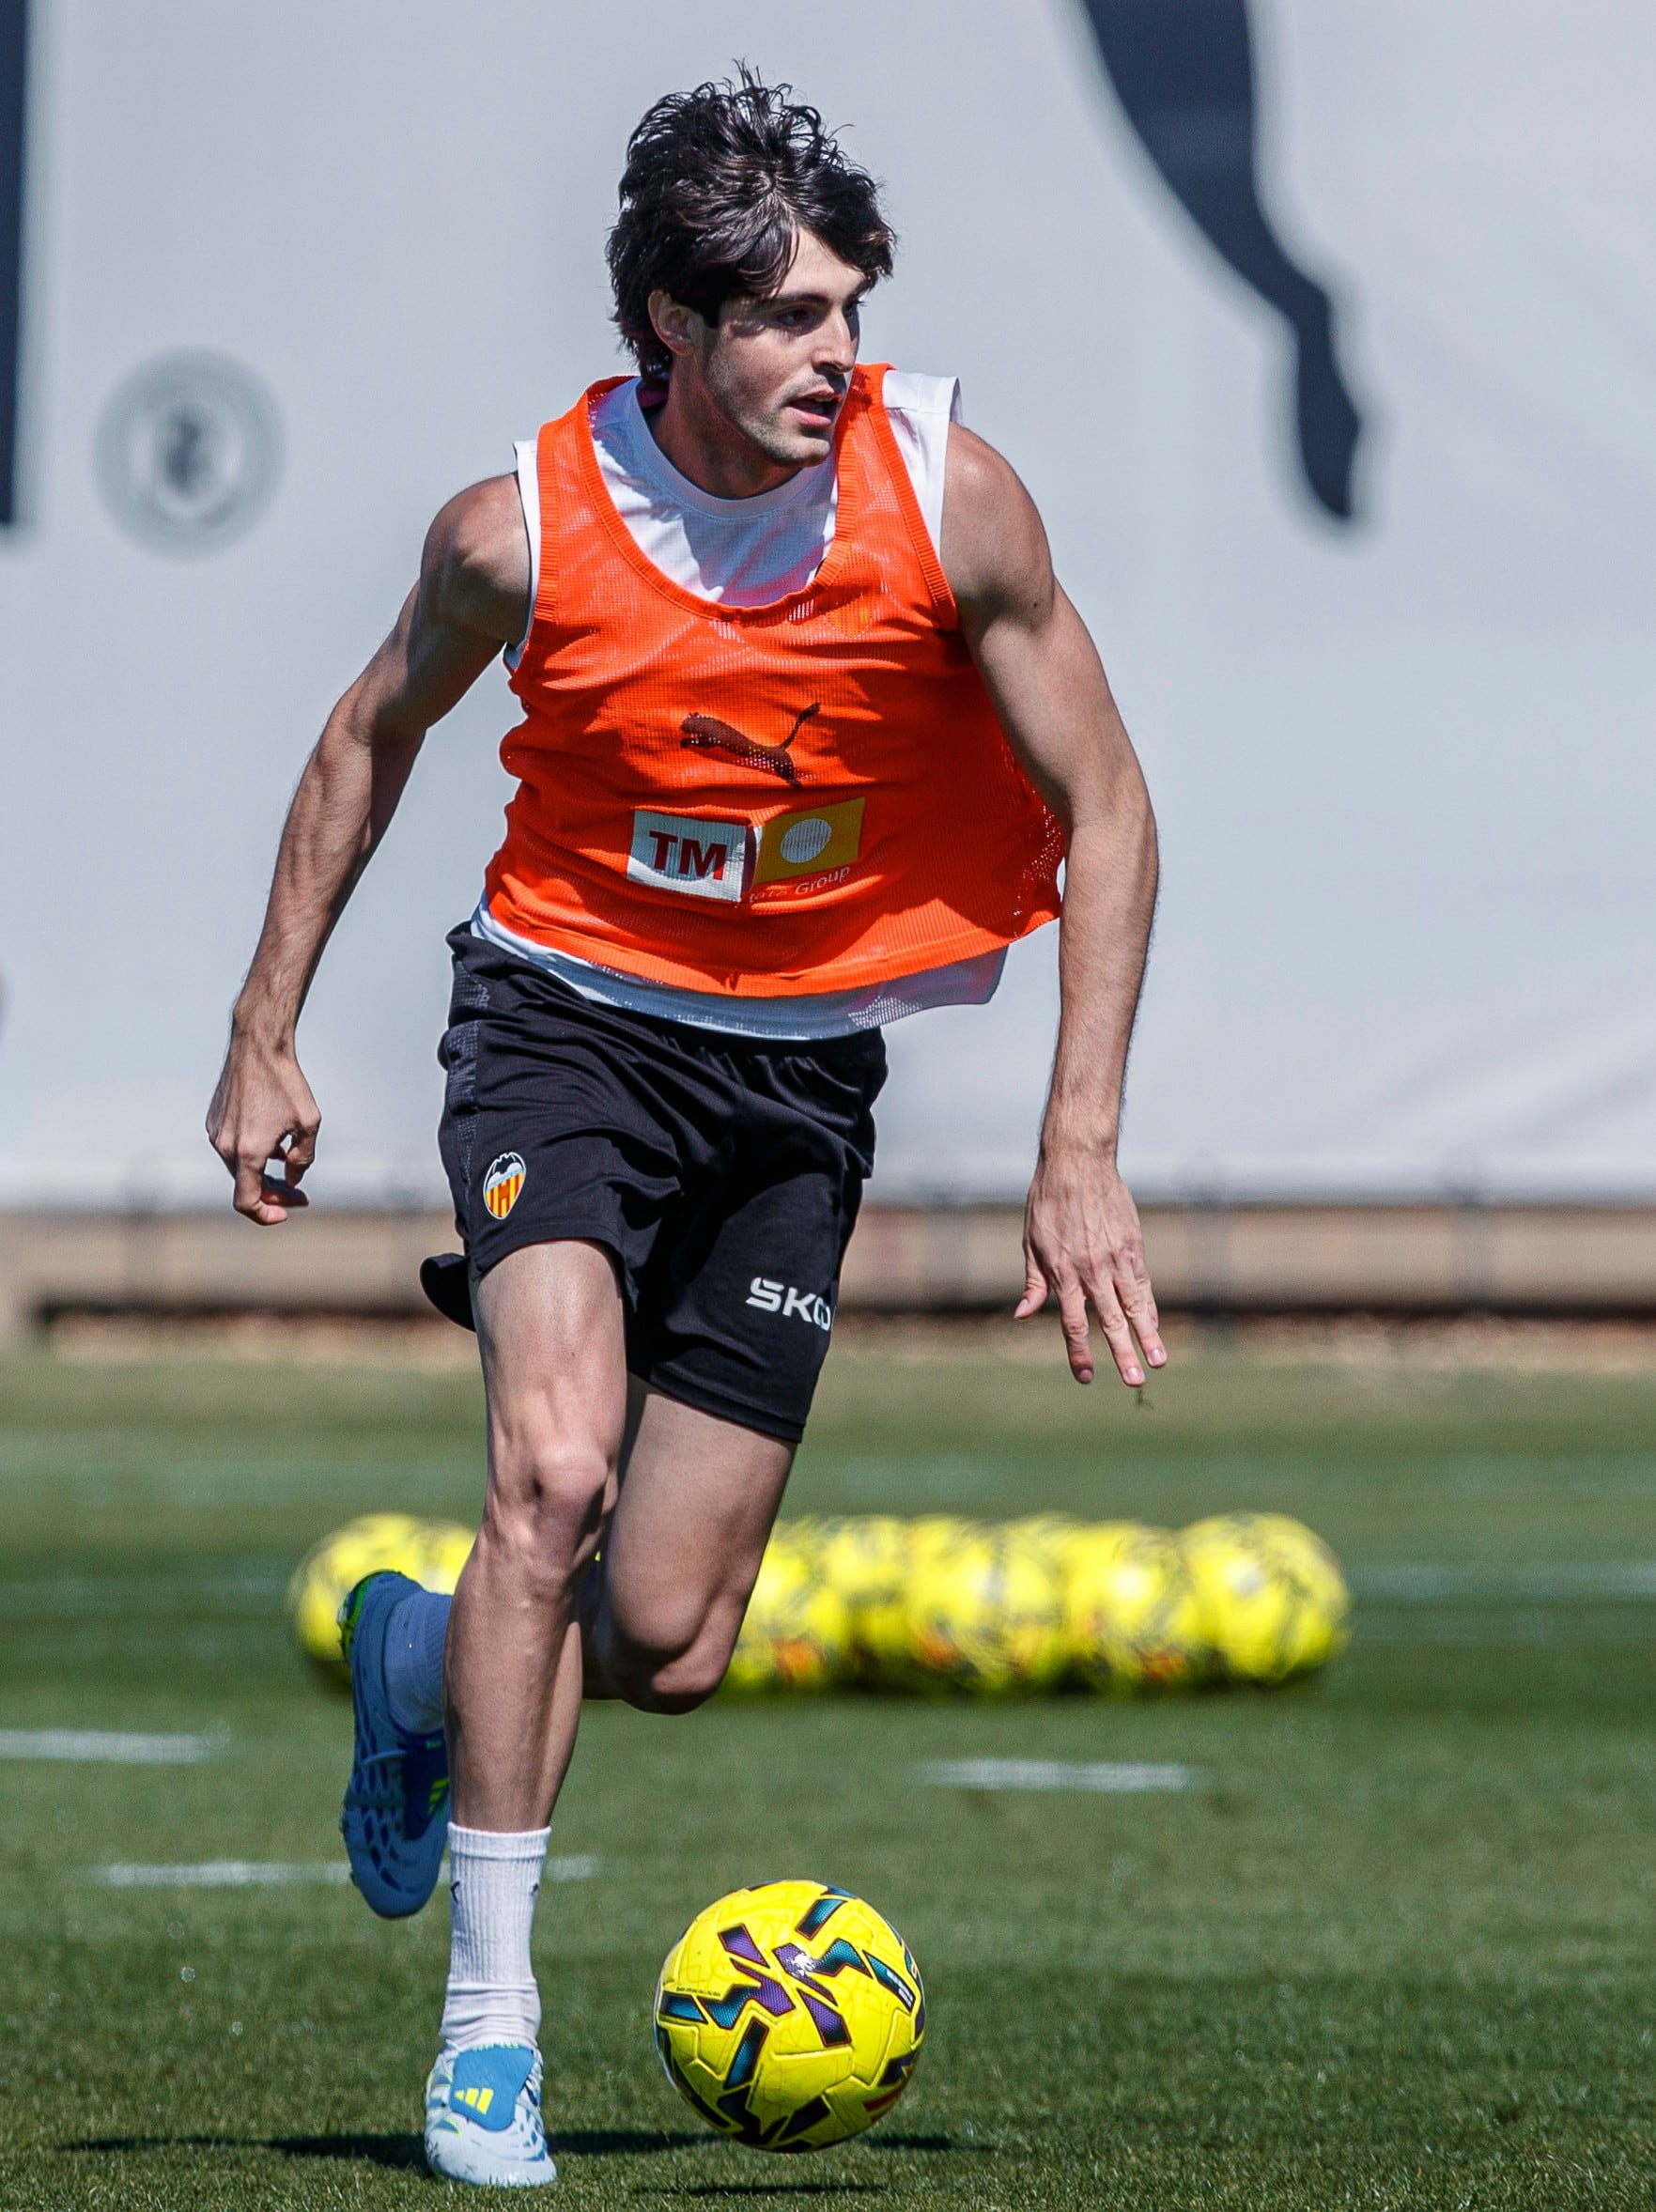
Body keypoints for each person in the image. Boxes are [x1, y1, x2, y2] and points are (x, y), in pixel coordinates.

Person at [206, 69, 1166, 2189]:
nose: (841, 353)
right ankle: (488, 2044)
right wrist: (265, 1024)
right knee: (546, 1472)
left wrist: (1079, 1140)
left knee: (666, 1637)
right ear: (670, 324)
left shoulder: (953, 495)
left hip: (804, 1074)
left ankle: (414, 1649)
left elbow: (1109, 804)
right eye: (792, 318)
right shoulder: (516, 529)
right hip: (563, 1020)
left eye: (852, 307)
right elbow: (370, 735)